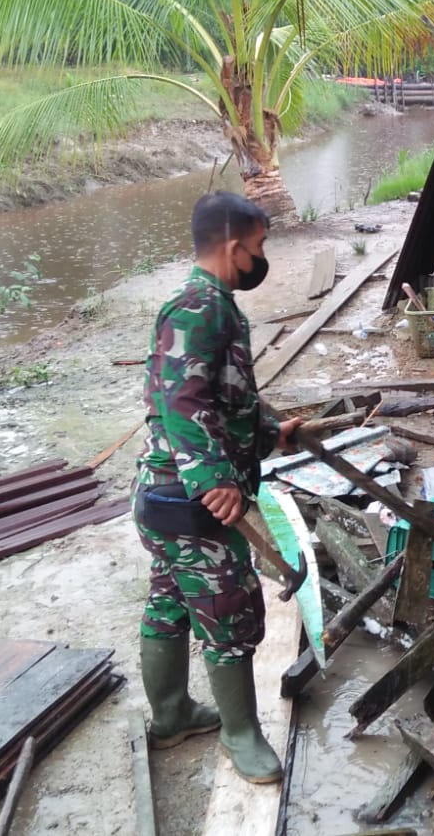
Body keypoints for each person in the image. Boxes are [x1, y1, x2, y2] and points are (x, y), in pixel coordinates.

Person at [133, 191, 302, 783]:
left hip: (167, 497)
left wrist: (272, 433)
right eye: (259, 246)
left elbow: (221, 401)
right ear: (234, 247)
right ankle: (240, 734)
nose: (261, 257)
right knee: (227, 611)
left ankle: (173, 715)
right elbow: (180, 402)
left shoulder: (211, 304)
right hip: (190, 503)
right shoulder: (199, 308)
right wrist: (214, 481)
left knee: (170, 601)